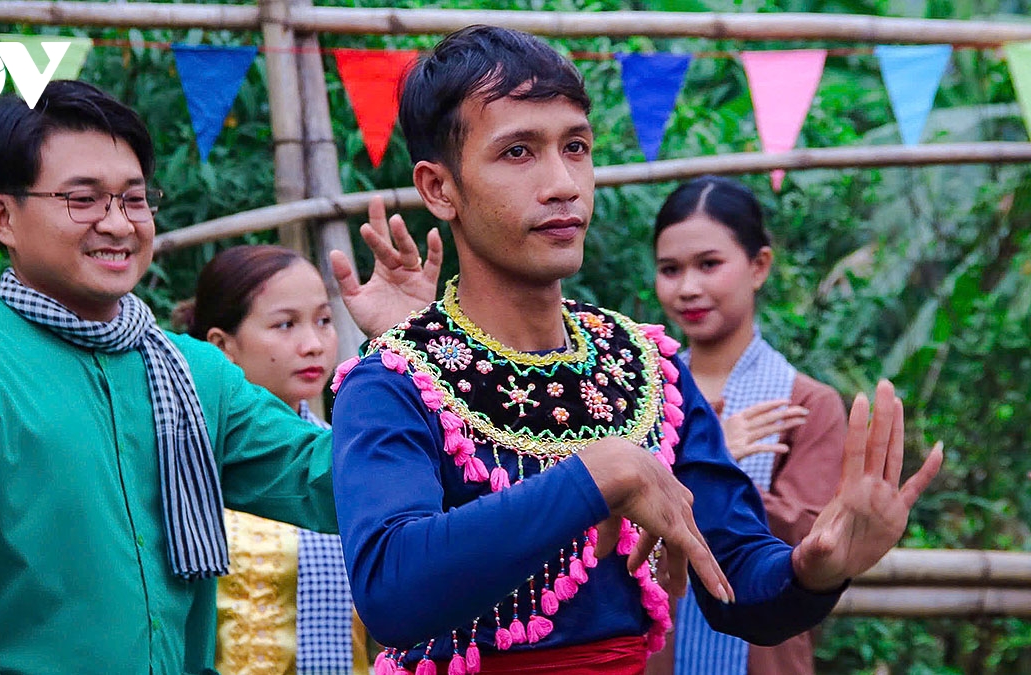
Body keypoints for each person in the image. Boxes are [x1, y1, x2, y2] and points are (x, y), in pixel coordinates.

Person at [329, 25, 942, 674]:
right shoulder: (394, 382)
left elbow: (738, 584)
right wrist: (600, 474)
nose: (563, 182)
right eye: (518, 152)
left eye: (576, 147)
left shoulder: (647, 370)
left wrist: (815, 567)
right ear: (438, 188)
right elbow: (391, 590)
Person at [0, 80, 436, 674]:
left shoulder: (194, 374)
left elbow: (336, 482)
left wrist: (409, 354)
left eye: (134, 199)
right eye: (82, 200)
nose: (117, 224)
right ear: (4, 217)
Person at [645, 176, 848, 675]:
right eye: (670, 269)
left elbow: (807, 540)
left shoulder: (809, 404)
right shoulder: (644, 389)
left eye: (709, 264)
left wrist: (695, 473)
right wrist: (716, 455)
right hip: (651, 651)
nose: (688, 287)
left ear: (759, 267)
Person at [173, 244, 367, 675]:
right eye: (285, 325)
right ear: (222, 346)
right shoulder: (190, 465)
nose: (314, 344)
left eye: (324, 321)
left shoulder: (348, 458)